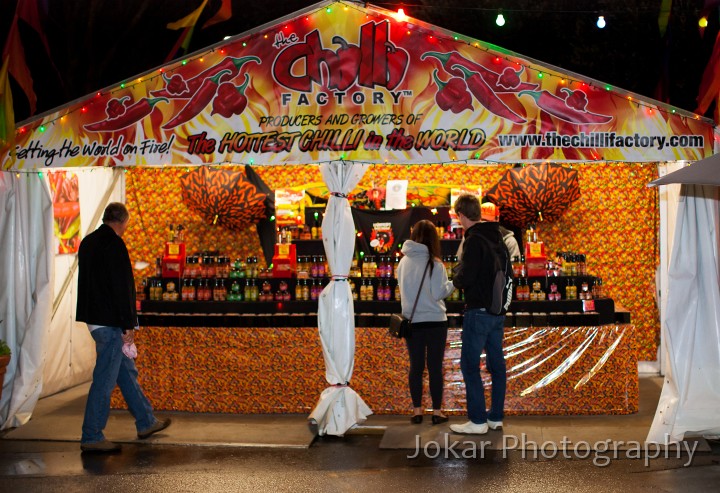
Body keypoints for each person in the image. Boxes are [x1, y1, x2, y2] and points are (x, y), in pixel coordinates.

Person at [76, 202, 171, 452]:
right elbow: (121, 286)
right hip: (111, 322)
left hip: (95, 319)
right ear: (124, 222)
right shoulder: (115, 244)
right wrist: (128, 323)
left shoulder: (88, 242)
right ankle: (92, 435)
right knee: (104, 380)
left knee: (125, 372)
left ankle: (146, 421)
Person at [449, 194, 508, 435]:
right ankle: (495, 417)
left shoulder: (473, 241)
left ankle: (477, 420)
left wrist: (456, 276)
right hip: (498, 310)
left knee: (469, 364)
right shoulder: (498, 238)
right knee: (497, 365)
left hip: (478, 310)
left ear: (461, 215)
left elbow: (467, 278)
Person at [396, 219, 455, 424]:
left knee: (416, 367)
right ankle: (437, 412)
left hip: (413, 322)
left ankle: (417, 410)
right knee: (435, 367)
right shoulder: (435, 263)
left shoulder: (403, 262)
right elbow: (440, 292)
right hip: (435, 322)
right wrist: (453, 283)